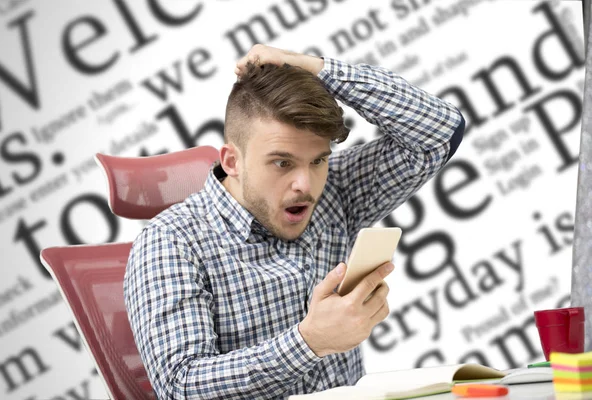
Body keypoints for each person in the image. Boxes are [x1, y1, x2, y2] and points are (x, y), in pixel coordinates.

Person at [124, 44, 465, 399]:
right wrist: (309, 342)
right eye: (282, 163)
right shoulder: (170, 242)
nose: (306, 185)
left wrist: (316, 68)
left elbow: (439, 133)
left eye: (318, 160)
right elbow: (180, 387)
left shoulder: (336, 193)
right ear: (231, 162)